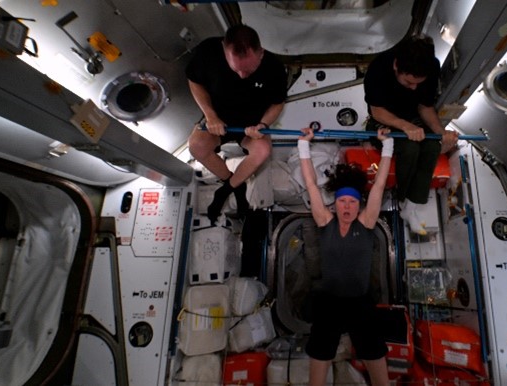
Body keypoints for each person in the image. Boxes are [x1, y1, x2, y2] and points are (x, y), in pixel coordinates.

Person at [298, 127, 391, 386]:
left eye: (352, 202)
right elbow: (310, 184)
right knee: (317, 374)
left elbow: (380, 184)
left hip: (360, 303)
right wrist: (303, 145)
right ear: (334, 204)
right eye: (342, 202)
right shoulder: (324, 222)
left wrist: (388, 146)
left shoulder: (367, 223)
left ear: (359, 205)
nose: (347, 206)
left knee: (379, 373)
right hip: (328, 305)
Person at [186, 24, 287, 225]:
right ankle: (233, 183)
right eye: (236, 69)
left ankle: (228, 188)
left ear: (261, 53)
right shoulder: (208, 51)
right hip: (218, 120)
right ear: (224, 50)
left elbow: (277, 103)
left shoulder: (274, 68)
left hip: (251, 124)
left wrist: (263, 124)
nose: (242, 75)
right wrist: (210, 115)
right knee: (196, 146)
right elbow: (194, 81)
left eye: (249, 70)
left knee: (263, 150)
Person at [364, 34, 459, 235]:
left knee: (432, 146)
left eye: (418, 83)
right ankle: (402, 199)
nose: (414, 87)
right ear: (396, 66)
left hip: (412, 118)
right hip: (382, 121)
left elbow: (425, 106)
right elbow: (377, 111)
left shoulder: (431, 67)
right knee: (409, 148)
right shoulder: (378, 68)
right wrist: (406, 127)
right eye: (408, 82)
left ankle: (412, 206)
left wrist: (442, 133)